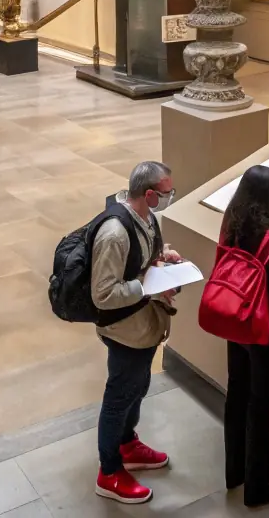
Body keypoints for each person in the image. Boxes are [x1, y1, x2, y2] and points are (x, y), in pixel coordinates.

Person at [92, 161, 182, 504]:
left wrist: (163, 256)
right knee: (119, 397)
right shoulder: (114, 234)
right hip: (125, 330)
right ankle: (109, 471)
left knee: (137, 386)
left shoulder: (146, 218)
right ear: (147, 194)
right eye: (166, 193)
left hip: (145, 327)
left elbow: (143, 255)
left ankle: (127, 443)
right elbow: (104, 293)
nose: (169, 197)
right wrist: (148, 287)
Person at [217, 166, 269, 508]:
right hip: (265, 333)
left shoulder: (230, 225)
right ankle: (256, 487)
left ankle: (233, 471)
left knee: (235, 394)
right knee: (260, 406)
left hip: (234, 322)